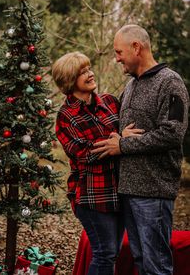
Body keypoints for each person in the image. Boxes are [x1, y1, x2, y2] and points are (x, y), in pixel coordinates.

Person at [93, 24, 189, 275]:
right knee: (140, 262)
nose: (116, 59)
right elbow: (121, 130)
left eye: (119, 52)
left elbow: (173, 133)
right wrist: (119, 137)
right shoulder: (132, 86)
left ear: (136, 47)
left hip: (153, 192)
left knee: (156, 265)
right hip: (128, 191)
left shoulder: (170, 82)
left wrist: (123, 145)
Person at [52, 51, 143, 275]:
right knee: (105, 253)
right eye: (82, 72)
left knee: (112, 253)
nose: (90, 74)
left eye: (89, 69)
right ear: (69, 80)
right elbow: (84, 153)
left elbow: (129, 134)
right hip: (91, 195)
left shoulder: (111, 102)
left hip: (119, 191)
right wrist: (119, 141)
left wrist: (120, 141)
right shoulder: (66, 116)